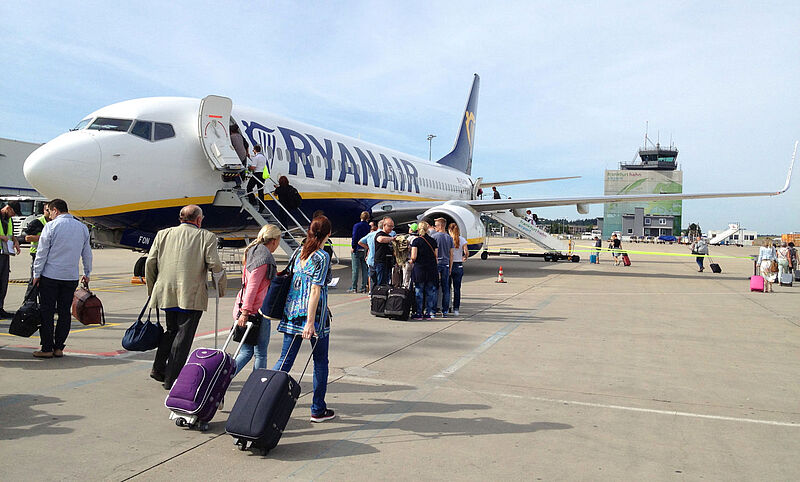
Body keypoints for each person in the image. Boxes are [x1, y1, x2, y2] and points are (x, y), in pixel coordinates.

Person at [146, 205, 227, 389]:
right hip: (191, 294)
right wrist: (220, 288)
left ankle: (158, 367)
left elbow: (150, 262)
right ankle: (172, 378)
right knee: (183, 336)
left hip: (166, 292)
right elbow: (214, 264)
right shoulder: (206, 236)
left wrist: (152, 289)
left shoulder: (163, 234)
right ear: (198, 220)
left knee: (171, 330)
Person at [273, 216, 335, 423]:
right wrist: (310, 322)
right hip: (313, 315)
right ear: (328, 233)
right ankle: (318, 408)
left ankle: (265, 396)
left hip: (292, 311)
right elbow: (316, 290)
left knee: (285, 360)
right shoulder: (322, 256)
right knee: (320, 362)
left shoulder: (298, 253)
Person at [30, 199, 92, 358]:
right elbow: (87, 253)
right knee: (65, 313)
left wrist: (36, 274)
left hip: (50, 276)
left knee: (47, 312)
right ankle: (59, 348)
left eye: (49, 211)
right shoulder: (82, 228)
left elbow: (42, 253)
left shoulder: (51, 226)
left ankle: (47, 348)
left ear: (55, 210)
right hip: (70, 277)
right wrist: (87, 272)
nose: (49, 215)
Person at [232, 224, 281, 376]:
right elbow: (253, 286)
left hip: (243, 306)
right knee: (258, 353)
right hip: (255, 312)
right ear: (273, 240)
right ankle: (253, 383)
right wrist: (245, 312)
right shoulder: (264, 258)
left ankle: (223, 377)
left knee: (246, 350)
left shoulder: (252, 251)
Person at [21, 202, 52, 298]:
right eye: (47, 210)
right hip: (37, 255)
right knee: (34, 280)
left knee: (48, 282)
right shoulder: (37, 222)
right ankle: (30, 303)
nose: (49, 212)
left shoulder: (54, 223)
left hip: (50, 256)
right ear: (44, 210)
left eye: (51, 210)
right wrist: (41, 238)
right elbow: (26, 237)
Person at [409, 221, 438, 320]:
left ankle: (419, 313)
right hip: (431, 268)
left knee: (419, 291)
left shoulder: (416, 241)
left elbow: (414, 256)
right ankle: (428, 313)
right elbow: (436, 256)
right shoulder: (433, 241)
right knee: (430, 291)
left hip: (420, 268)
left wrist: (410, 261)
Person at [0, 201, 22, 318]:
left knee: (3, 282)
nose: (14, 215)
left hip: (5, 254)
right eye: (13, 212)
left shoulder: (9, 220)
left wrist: (15, 241)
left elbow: (10, 234)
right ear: (8, 208)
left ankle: (0, 308)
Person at [431, 218, 454, 316]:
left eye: (436, 225)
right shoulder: (449, 238)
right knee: (446, 289)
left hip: (436, 264)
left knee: (434, 288)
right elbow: (451, 254)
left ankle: (434, 310)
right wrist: (450, 268)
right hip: (446, 264)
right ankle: (445, 311)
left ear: (440, 226)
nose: (435, 227)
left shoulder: (434, 237)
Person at [448, 222, 468, 316]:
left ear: (449, 230)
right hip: (458, 265)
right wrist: (465, 257)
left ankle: (447, 307)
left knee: (447, 288)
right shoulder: (462, 239)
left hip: (449, 264)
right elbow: (466, 252)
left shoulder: (448, 239)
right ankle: (456, 309)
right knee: (457, 289)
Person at [348, 211, 370, 293]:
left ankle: (354, 287)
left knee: (355, 269)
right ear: (367, 218)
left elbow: (354, 236)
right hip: (364, 248)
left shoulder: (356, 226)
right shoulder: (368, 227)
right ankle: (364, 287)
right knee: (365, 269)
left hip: (357, 248)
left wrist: (353, 246)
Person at [373, 217, 396, 286]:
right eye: (389, 226)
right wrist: (392, 239)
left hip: (388, 262)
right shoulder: (380, 234)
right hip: (381, 261)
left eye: (392, 226)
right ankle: (378, 294)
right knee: (381, 281)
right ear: (384, 225)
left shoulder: (388, 235)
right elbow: (380, 239)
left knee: (386, 281)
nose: (391, 228)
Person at [247, 145, 268, 210]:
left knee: (249, 187)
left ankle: (252, 200)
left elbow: (253, 167)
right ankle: (262, 207)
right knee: (260, 191)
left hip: (257, 174)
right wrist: (249, 157)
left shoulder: (256, 157)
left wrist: (248, 167)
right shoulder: (263, 157)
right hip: (262, 174)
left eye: (253, 150)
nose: (253, 151)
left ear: (255, 150)